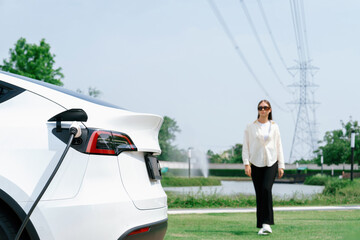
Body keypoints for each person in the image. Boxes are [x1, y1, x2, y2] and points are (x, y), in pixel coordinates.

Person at [242, 99, 285, 235]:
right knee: (260, 193)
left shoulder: (274, 126)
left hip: (271, 162)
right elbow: (245, 146)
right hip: (255, 163)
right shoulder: (250, 127)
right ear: (258, 110)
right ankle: (262, 224)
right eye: (260, 108)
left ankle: (267, 224)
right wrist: (246, 163)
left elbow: (279, 146)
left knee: (266, 189)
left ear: (270, 110)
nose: (263, 110)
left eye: (265, 107)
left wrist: (281, 165)